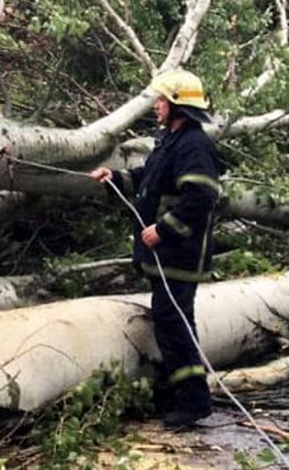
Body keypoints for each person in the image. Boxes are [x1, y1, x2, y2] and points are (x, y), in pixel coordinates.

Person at [90, 69, 225, 429]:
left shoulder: (194, 145)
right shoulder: (170, 140)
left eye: (162, 100)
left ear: (178, 105)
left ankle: (194, 400)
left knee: (174, 322)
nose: (156, 106)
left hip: (180, 255)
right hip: (166, 256)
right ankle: (174, 394)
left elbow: (202, 196)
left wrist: (164, 230)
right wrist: (114, 178)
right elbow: (148, 181)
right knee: (169, 321)